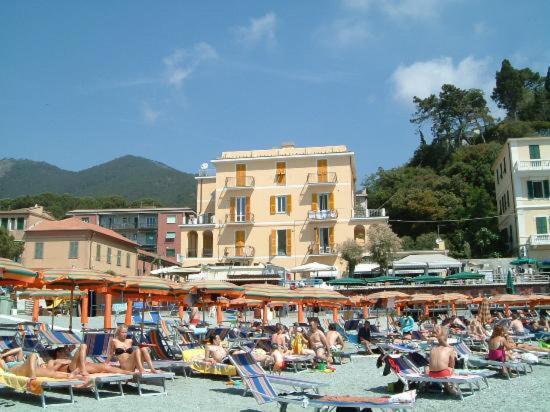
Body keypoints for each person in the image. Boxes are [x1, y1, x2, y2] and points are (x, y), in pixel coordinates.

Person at [0, 347, 84, 381]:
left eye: (11, 355)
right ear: (4, 359)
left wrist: (4, 354)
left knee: (52, 373)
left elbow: (20, 349)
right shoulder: (5, 364)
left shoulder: (19, 360)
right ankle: (32, 374)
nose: (11, 356)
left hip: (30, 368)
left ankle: (75, 376)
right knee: (33, 354)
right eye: (9, 356)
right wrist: (2, 356)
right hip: (19, 370)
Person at [50, 344, 130, 375]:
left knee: (105, 366)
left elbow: (72, 347)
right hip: (70, 368)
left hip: (80, 366)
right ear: (58, 353)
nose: (67, 352)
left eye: (67, 351)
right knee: (83, 346)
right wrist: (61, 364)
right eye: (64, 351)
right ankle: (83, 370)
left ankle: (128, 373)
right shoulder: (53, 361)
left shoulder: (69, 358)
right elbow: (49, 371)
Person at [426, 327, 459, 395]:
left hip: (431, 373)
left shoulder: (433, 348)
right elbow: (452, 365)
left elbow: (430, 362)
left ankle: (447, 387)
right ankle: (451, 388)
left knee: (436, 368)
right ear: (446, 340)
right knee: (450, 368)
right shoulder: (450, 349)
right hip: (443, 374)